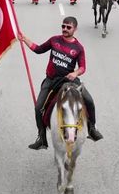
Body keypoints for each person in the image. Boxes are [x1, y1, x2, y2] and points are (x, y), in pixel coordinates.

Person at [19, 16, 103, 150]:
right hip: (51, 80)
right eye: (63, 26)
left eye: (68, 27)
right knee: (38, 107)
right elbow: (38, 49)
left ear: (75, 29)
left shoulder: (79, 48)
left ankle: (92, 128)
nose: (65, 29)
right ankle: (41, 138)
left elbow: (82, 67)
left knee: (89, 100)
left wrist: (75, 73)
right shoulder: (54, 40)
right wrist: (24, 39)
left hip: (68, 80)